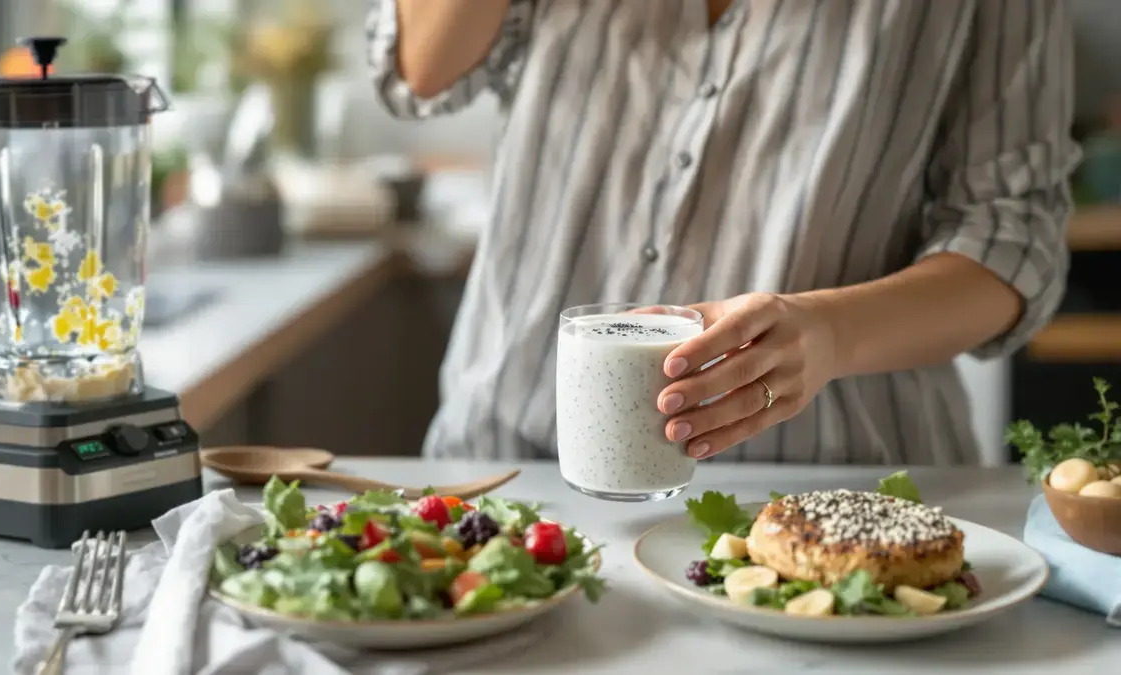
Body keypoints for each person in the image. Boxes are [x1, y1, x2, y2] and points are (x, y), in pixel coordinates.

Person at [366, 0, 1078, 464]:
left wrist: (830, 332)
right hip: (509, 465)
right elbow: (417, 71)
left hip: (827, 487)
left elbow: (1012, 236)